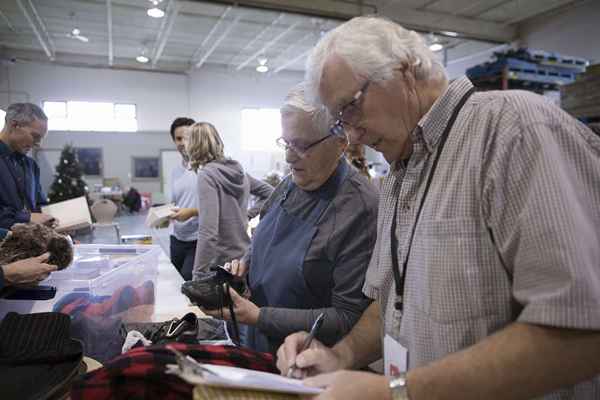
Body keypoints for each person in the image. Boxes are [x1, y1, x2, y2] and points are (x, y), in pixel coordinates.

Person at [277, 16, 600, 400]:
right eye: (339, 121)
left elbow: (581, 332)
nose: (351, 133)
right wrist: (340, 355)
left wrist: (396, 392)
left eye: (350, 108)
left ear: (406, 69)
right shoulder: (402, 165)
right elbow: (393, 301)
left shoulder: (514, 130)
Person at [202, 84, 379, 355]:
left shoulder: (359, 208)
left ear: (341, 142)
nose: (288, 156)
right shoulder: (290, 184)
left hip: (303, 362)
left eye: (302, 145)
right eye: (286, 142)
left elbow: (348, 318)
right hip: (254, 344)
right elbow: (264, 240)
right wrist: (246, 266)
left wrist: (260, 317)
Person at [185, 122, 273, 278]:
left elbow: (208, 231)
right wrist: (246, 215)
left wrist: (198, 273)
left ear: (194, 145)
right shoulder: (238, 171)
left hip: (222, 263)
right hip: (243, 257)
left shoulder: (207, 175)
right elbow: (271, 193)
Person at [0, 103, 55, 230]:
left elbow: (39, 205)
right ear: (14, 125)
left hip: (30, 244)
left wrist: (51, 221)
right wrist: (27, 218)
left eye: (41, 138)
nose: (38, 144)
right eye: (35, 136)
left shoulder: (31, 165)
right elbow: (31, 216)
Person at [167, 117, 198, 280]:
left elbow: (218, 206)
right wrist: (164, 216)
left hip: (199, 239)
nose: (183, 142)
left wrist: (192, 212)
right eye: (178, 138)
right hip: (178, 237)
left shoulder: (206, 168)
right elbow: (175, 203)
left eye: (187, 137)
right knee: (176, 281)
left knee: (188, 279)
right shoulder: (175, 172)